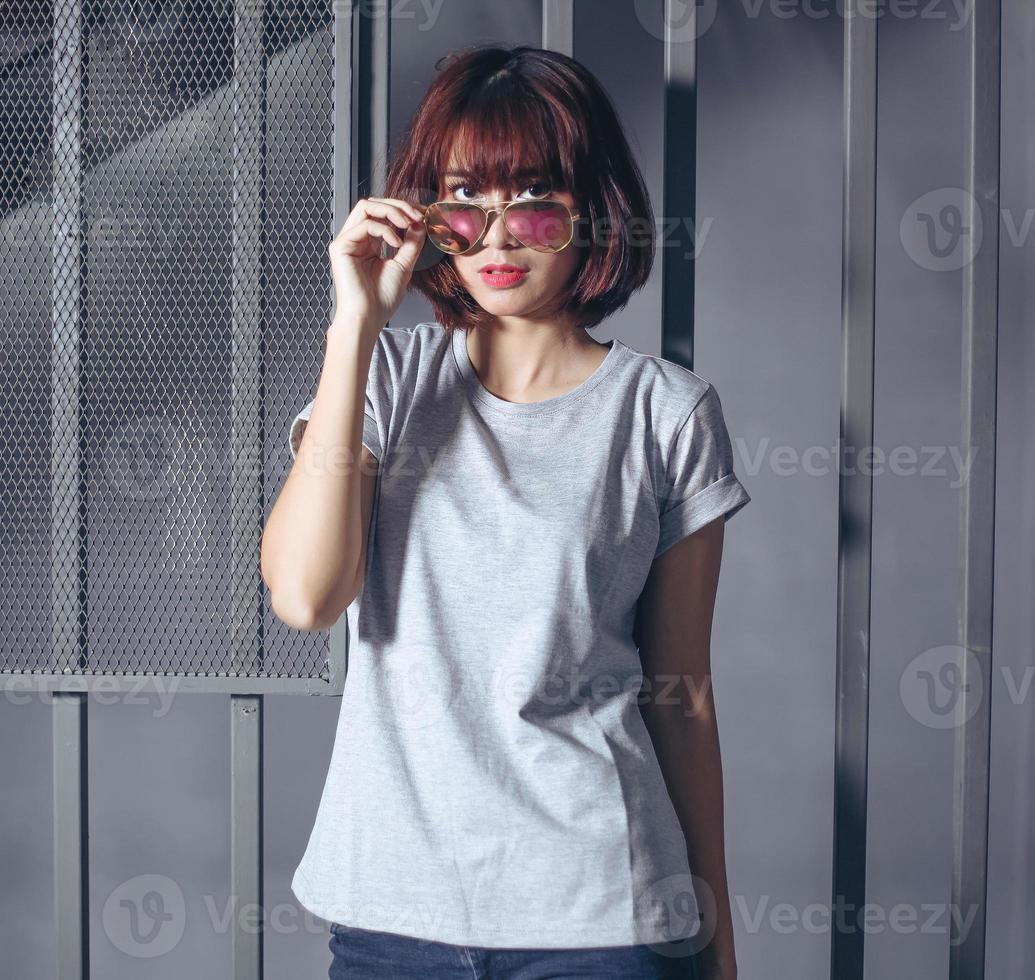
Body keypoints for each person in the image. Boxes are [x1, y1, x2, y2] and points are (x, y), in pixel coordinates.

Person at [261, 43, 749, 980]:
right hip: (390, 914)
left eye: (531, 201)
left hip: (602, 913)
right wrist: (355, 326)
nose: (495, 238)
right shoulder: (382, 380)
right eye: (461, 205)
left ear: (590, 209)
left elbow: (680, 696)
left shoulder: (666, 413)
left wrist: (716, 939)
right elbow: (306, 595)